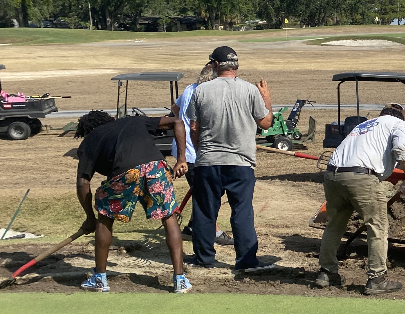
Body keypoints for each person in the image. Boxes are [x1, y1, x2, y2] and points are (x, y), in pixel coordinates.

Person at [74, 110, 192, 293]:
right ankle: (180, 280)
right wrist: (181, 159)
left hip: (124, 172)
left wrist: (90, 217)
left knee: (105, 217)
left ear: (87, 131)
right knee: (169, 216)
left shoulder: (90, 140)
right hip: (156, 168)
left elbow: (83, 183)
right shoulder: (134, 121)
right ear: (111, 120)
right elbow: (177, 122)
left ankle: (99, 279)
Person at [184, 46, 274, 272]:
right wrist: (267, 100)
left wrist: (200, 149)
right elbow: (266, 123)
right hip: (241, 162)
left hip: (208, 161)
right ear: (236, 66)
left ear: (214, 65)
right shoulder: (250, 90)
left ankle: (204, 258)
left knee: (205, 211)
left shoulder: (201, 91)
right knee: (242, 210)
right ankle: (246, 260)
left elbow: (194, 127)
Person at [316, 103, 405, 295]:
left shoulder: (364, 125)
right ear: (402, 117)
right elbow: (401, 147)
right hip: (362, 177)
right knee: (377, 226)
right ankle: (376, 278)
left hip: (333, 175)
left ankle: (326, 273)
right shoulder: (398, 123)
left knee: (334, 225)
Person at [172, 62, 231, 246]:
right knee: (208, 193)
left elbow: (175, 109)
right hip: (193, 153)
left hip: (185, 150)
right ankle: (213, 231)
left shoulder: (190, 88)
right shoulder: (206, 93)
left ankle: (191, 226)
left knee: (203, 191)